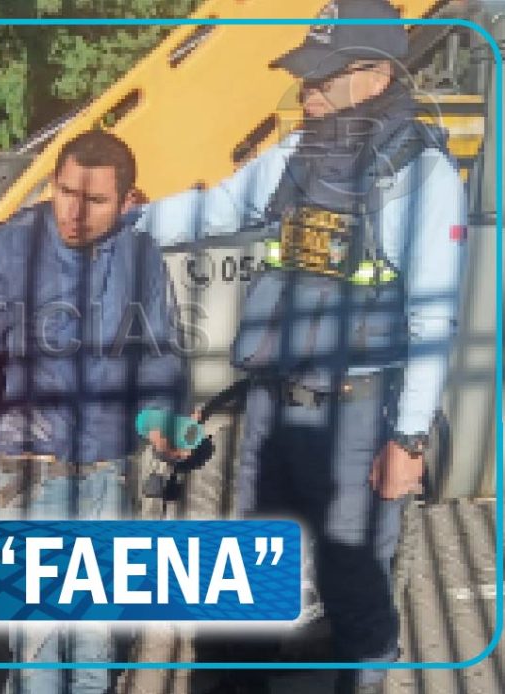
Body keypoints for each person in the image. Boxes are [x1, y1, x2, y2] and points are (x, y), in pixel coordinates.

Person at [138, 1, 467, 692]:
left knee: (352, 580)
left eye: (322, 76)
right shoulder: (296, 154)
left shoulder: (421, 175)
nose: (305, 90)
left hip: (357, 412)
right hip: (272, 406)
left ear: (375, 75)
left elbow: (433, 317)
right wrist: (122, 225)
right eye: (305, 75)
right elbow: (216, 209)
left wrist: (408, 441)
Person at [0, 130, 187, 694]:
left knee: (95, 643)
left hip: (109, 464)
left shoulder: (142, 256)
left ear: (127, 201)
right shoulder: (8, 247)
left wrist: (163, 415)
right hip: (31, 463)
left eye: (95, 201)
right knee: (40, 640)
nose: (74, 212)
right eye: (66, 192)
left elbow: (160, 354)